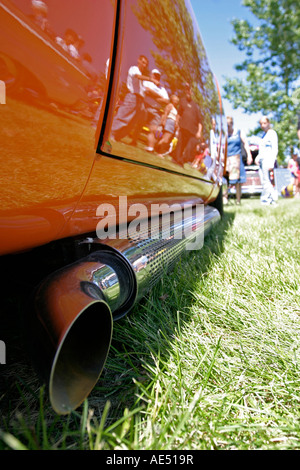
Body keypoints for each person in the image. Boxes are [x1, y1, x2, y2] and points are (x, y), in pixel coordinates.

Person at [111, 55, 156, 142]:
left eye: (146, 64)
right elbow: (138, 76)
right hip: (132, 97)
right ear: (138, 61)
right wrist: (151, 79)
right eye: (143, 62)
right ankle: (111, 133)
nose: (144, 65)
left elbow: (140, 86)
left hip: (139, 100)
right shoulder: (134, 69)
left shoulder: (142, 76)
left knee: (131, 122)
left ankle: (118, 137)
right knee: (123, 116)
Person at [174, 83, 202, 167]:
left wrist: (199, 132)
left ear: (192, 93)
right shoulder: (182, 101)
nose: (188, 93)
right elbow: (179, 114)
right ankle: (177, 160)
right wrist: (176, 122)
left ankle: (183, 160)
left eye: (190, 91)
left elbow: (200, 121)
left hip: (192, 131)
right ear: (186, 92)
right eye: (187, 91)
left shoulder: (195, 106)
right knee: (180, 144)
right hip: (183, 127)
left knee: (189, 148)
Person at [226, 116, 252, 204]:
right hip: (227, 159)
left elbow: (245, 144)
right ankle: (225, 199)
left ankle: (238, 200)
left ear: (232, 124)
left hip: (237, 158)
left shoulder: (239, 132)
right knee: (226, 180)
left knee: (238, 181)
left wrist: (249, 155)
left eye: (228, 125)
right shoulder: (225, 134)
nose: (227, 127)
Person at [142, 69, 169, 152]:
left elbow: (167, 101)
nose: (156, 77)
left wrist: (153, 95)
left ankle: (150, 147)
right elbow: (147, 90)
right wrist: (160, 97)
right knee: (137, 123)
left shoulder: (162, 89)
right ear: (151, 74)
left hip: (155, 110)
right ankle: (132, 141)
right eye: (155, 75)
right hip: (145, 106)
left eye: (158, 76)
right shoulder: (147, 82)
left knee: (153, 130)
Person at [255, 116, 278, 206]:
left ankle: (272, 198)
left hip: (268, 160)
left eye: (264, 123)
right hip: (262, 160)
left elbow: (274, 148)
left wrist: (272, 161)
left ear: (268, 123)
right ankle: (266, 199)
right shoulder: (263, 135)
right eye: (261, 124)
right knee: (264, 180)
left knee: (267, 180)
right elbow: (262, 150)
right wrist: (257, 158)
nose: (263, 125)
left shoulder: (272, 133)